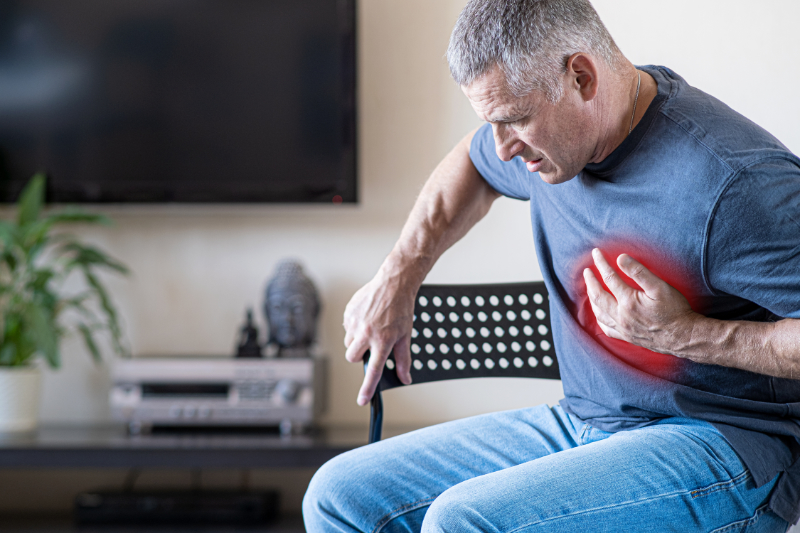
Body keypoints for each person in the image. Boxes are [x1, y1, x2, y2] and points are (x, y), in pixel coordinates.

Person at [304, 0, 800, 531]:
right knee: (339, 496)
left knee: (462, 522)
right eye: (490, 122)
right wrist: (398, 275)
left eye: (514, 120)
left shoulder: (735, 183)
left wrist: (687, 335)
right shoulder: (553, 145)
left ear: (581, 78)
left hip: (726, 446)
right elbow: (473, 165)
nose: (504, 147)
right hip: (586, 424)